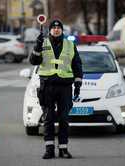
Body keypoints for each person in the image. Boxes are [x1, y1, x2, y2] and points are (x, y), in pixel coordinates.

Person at [29, 19, 83, 159]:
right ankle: (49, 149)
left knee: (64, 119)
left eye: (59, 28)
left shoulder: (70, 45)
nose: (56, 29)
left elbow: (77, 65)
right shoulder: (43, 43)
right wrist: (37, 46)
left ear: (62, 30)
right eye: (53, 27)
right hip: (47, 86)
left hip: (64, 87)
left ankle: (63, 149)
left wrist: (78, 84)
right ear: (50, 30)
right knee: (48, 118)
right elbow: (33, 61)